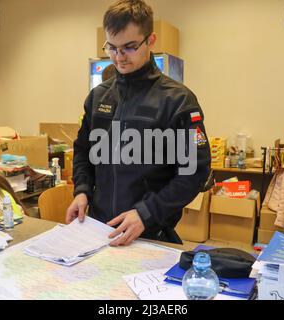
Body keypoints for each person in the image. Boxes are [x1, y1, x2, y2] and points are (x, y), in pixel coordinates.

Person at [66, 0, 211, 246]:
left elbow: (194, 172)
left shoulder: (177, 100)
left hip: (149, 234)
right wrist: (81, 190)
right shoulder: (98, 96)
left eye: (129, 47)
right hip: (98, 230)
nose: (118, 57)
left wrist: (146, 213)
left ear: (151, 40)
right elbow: (83, 151)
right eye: (111, 48)